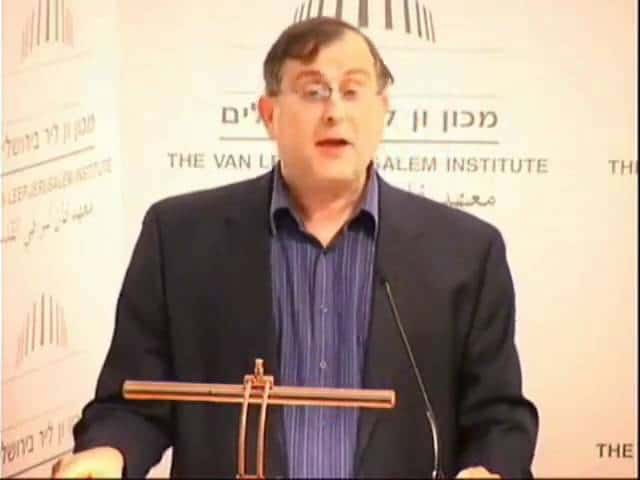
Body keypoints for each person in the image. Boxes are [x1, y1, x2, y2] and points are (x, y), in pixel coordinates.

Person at [53, 17, 538, 479]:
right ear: (270, 115)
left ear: (382, 110)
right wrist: (109, 453)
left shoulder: (465, 251)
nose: (334, 111)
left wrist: (490, 468)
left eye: (353, 90)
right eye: (313, 91)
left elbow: (498, 417)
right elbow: (133, 402)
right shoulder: (180, 238)